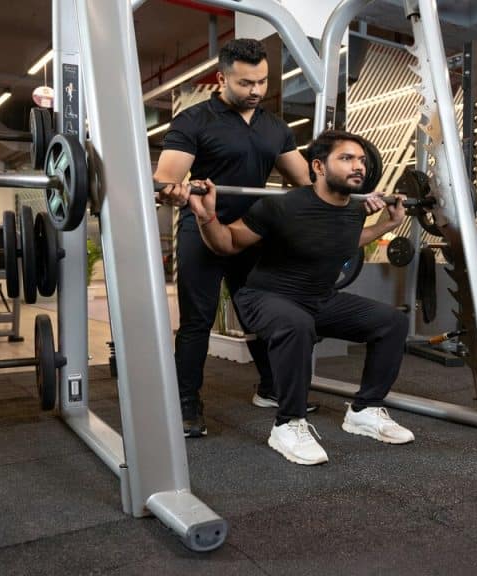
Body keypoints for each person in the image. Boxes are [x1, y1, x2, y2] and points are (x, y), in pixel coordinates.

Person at [187, 130, 415, 465]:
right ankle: (288, 424)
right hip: (265, 297)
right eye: (347, 158)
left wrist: (386, 223)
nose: (359, 167)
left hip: (319, 298)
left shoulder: (354, 208)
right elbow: (228, 244)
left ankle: (364, 410)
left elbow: (344, 242)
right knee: (296, 324)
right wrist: (206, 216)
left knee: (392, 322)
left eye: (362, 161)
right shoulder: (280, 205)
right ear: (319, 166)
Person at [154, 38, 313, 438]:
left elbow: (304, 181)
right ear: (222, 78)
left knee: (261, 314)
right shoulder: (194, 120)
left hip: (250, 232)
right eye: (246, 83)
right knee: (197, 321)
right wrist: (171, 187)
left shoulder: (274, 127)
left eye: (262, 81)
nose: (256, 91)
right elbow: (167, 176)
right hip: (203, 227)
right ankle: (186, 401)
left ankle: (271, 387)